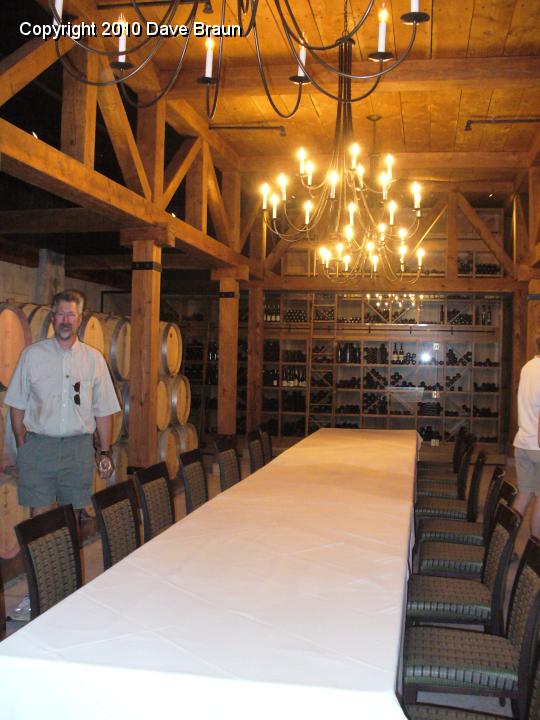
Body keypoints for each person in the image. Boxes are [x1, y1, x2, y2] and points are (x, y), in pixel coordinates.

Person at [5, 289, 120, 517]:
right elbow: (17, 402)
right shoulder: (32, 355)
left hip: (78, 449)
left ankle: (67, 555)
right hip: (39, 447)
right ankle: (43, 555)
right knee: (40, 518)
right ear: (52, 318)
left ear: (80, 320)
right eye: (60, 314)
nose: (65, 320)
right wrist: (21, 441)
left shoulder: (93, 359)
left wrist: (105, 452)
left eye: (71, 315)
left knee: (73, 515)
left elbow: (104, 409)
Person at [513, 337, 540, 538]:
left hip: (522, 441)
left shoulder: (527, 367)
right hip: (538, 446)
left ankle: (505, 544)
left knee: (523, 495)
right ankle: (535, 550)